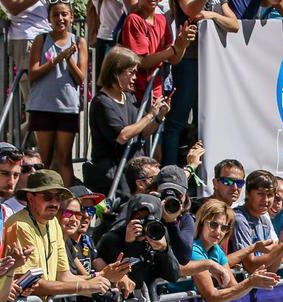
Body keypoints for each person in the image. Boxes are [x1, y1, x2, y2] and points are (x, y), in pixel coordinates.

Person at [3, 169, 124, 302]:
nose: (54, 203)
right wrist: (85, 286)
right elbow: (30, 284)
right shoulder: (20, 225)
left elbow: (64, 277)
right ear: (30, 197)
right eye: (47, 196)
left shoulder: (53, 223)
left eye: (58, 197)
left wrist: (101, 286)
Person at [162, 0, 239, 166]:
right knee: (177, 121)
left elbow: (234, 25)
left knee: (204, 122)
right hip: (187, 60)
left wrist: (213, 15)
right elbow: (191, 10)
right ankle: (169, 172)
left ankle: (200, 169)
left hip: (212, 61)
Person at [88, 46, 169, 195]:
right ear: (116, 72)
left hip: (133, 171)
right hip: (114, 174)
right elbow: (123, 136)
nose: (134, 78)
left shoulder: (130, 97)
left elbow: (143, 132)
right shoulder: (102, 103)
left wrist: (159, 117)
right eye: (131, 72)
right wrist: (149, 115)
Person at [28, 0, 88, 187]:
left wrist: (68, 59)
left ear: (72, 17)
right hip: (42, 106)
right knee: (44, 159)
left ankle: (67, 198)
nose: (60, 18)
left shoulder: (79, 42)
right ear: (49, 18)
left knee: (64, 158)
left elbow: (81, 78)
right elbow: (33, 73)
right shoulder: (41, 40)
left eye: (64, 14)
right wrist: (55, 61)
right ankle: (41, 194)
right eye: (55, 15)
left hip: (67, 108)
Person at [181, 199, 279, 302]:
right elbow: (212, 299)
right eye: (213, 224)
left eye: (224, 228)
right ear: (201, 222)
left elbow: (234, 288)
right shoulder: (194, 249)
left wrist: (253, 282)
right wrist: (250, 282)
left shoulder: (216, 249)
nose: (218, 232)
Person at [94, 194, 177, 295]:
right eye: (139, 217)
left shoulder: (157, 234)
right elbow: (136, 283)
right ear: (130, 217)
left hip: (155, 298)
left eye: (148, 218)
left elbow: (173, 276)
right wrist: (131, 244)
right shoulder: (112, 239)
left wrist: (164, 250)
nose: (143, 223)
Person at [228, 169, 283, 273]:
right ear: (247, 193)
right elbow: (250, 266)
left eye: (270, 195)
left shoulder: (264, 218)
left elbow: (271, 269)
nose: (266, 200)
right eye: (260, 194)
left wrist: (282, 245)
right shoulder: (239, 219)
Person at [119, 0, 195, 103]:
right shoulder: (134, 19)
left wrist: (183, 44)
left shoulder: (162, 19)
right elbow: (141, 62)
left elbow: (173, 59)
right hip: (137, 94)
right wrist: (175, 48)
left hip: (157, 93)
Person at [1, 0, 50, 112]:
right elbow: (13, 8)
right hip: (26, 38)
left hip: (45, 35)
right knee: (34, 98)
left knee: (46, 95)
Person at [89, 0, 139, 77]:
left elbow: (132, 7)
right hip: (104, 37)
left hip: (121, 38)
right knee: (103, 77)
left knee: (119, 75)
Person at [2, 148, 44, 215]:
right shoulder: (5, 211)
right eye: (26, 169)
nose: (33, 171)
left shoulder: (49, 206)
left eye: (38, 167)